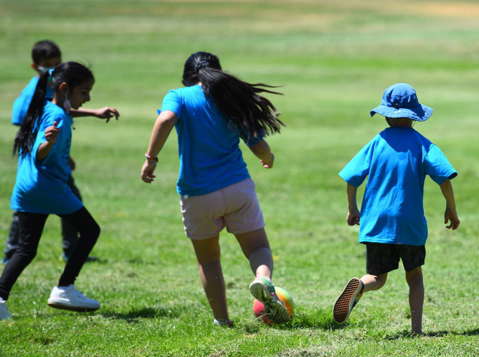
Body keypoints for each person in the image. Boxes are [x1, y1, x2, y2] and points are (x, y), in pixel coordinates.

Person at [140, 51, 290, 327]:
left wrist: (150, 159)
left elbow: (165, 119)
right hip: (237, 187)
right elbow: (258, 145)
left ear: (187, 78)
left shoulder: (179, 96)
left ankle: (222, 320)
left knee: (209, 261)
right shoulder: (229, 99)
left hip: (197, 193)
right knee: (257, 247)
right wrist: (267, 158)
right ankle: (262, 279)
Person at [333, 83, 460, 335]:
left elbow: (351, 178)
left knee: (377, 278)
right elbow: (445, 178)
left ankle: (360, 285)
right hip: (409, 222)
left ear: (386, 114)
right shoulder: (423, 145)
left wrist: (352, 207)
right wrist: (451, 208)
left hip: (376, 222)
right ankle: (416, 329)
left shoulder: (376, 143)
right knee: (414, 276)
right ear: (414, 115)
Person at [0, 62, 109, 321]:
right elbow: (40, 154)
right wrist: (48, 144)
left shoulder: (46, 107)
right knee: (91, 230)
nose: (88, 97)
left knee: (26, 250)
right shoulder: (57, 116)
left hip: (27, 186)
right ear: (64, 88)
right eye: (84, 92)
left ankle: (0, 298)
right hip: (48, 185)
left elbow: (66, 114)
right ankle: (64, 288)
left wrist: (93, 113)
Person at [4, 40, 119, 265]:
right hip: (39, 153)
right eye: (48, 65)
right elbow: (31, 120)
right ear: (35, 66)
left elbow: (61, 111)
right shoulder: (36, 90)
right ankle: (12, 252)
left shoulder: (56, 86)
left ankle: (67, 249)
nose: (52, 68)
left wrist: (93, 113)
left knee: (48, 205)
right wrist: (59, 151)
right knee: (29, 209)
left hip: (49, 152)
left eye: (57, 63)